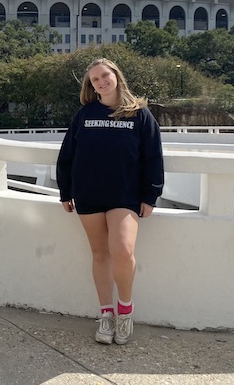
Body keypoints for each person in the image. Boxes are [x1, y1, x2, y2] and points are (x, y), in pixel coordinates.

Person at [57, 58, 164, 345]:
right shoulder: (84, 114)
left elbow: (153, 156)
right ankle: (105, 315)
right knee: (99, 254)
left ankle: (125, 312)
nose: (101, 82)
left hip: (124, 195)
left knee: (122, 250)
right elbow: (68, 154)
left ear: (116, 75)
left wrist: (150, 194)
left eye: (105, 75)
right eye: (95, 80)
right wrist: (65, 191)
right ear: (90, 86)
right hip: (88, 193)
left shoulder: (139, 115)